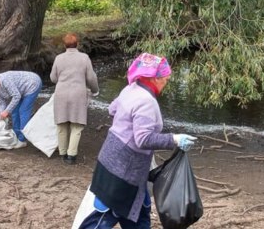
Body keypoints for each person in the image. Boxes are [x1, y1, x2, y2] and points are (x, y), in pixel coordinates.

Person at [78, 53, 196, 229]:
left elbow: (112, 109)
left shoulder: (131, 89)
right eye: (165, 78)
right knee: (104, 217)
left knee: (140, 213)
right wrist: (175, 139)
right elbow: (143, 139)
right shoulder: (146, 101)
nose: (166, 82)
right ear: (154, 78)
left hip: (114, 159)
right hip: (124, 170)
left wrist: (124, 124)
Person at [50, 33, 99, 164]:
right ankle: (71, 156)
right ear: (77, 44)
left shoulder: (58, 58)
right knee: (76, 125)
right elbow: (91, 78)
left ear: (64, 45)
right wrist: (95, 90)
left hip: (61, 94)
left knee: (62, 124)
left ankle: (63, 152)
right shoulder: (84, 58)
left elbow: (53, 78)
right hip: (78, 94)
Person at [0, 70, 42, 147]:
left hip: (32, 84)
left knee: (23, 111)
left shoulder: (4, 80)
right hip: (20, 90)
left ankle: (22, 140)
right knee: (14, 111)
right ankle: (16, 134)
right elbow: (1, 102)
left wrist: (7, 111)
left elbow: (16, 96)